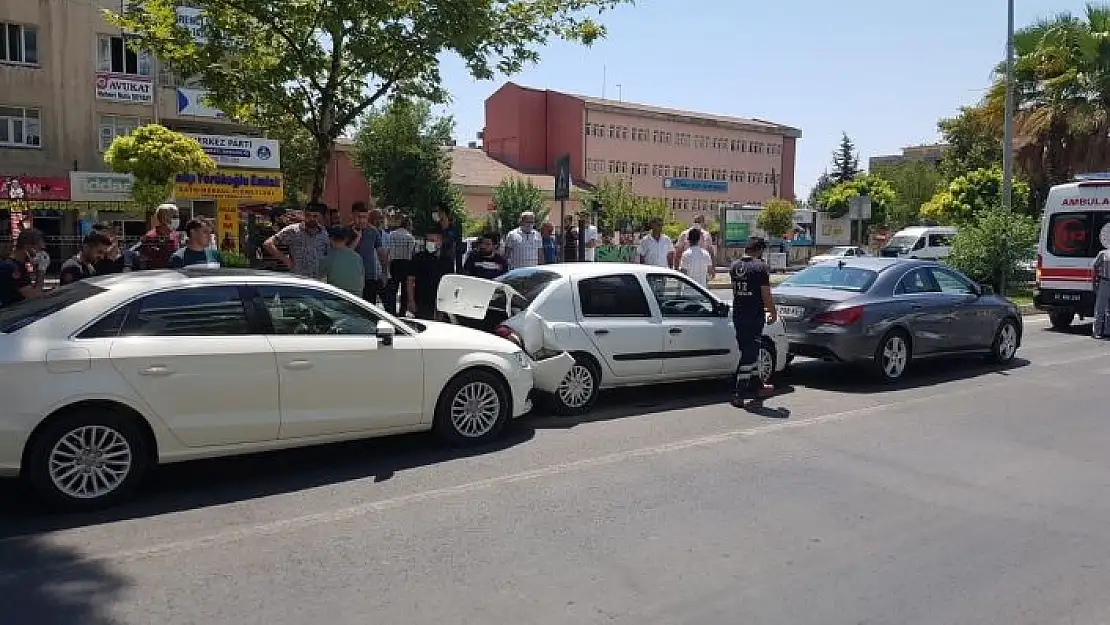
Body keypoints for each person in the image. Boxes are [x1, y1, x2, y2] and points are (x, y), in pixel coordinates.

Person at [729, 237, 778, 408]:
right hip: (754, 316)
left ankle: (758, 386)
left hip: (738, 315)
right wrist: (772, 311)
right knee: (749, 355)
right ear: (759, 250)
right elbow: (766, 294)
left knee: (749, 350)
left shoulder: (734, 266)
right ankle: (738, 393)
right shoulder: (760, 268)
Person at [264, 202, 330, 278]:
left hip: (317, 281)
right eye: (308, 215)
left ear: (321, 217)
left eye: (315, 216)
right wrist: (286, 260)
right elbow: (268, 244)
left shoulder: (324, 233)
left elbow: (326, 253)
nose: (311, 219)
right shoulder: (293, 230)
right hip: (298, 279)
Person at [406, 228, 451, 320]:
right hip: (422, 301)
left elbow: (450, 283)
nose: (429, 243)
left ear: (440, 242)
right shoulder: (419, 258)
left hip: (440, 303)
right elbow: (410, 280)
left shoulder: (447, 261)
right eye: (428, 240)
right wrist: (411, 300)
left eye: (433, 240)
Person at [352, 204, 390, 304]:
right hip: (352, 276)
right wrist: (357, 237)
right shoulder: (347, 230)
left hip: (369, 277)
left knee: (368, 307)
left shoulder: (373, 231)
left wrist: (384, 273)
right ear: (352, 216)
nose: (361, 220)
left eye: (364, 217)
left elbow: (382, 252)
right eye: (358, 217)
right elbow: (345, 252)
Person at [0, 229, 46, 306]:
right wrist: (41, 269)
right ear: (28, 246)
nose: (40, 253)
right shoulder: (12, 268)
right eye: (39, 249)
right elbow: (34, 296)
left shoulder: (19, 266)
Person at [384, 214, 417, 315]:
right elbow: (411, 252)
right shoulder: (410, 237)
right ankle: (402, 311)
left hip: (394, 263)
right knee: (404, 290)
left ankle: (392, 311)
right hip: (406, 263)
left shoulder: (392, 234)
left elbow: (389, 250)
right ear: (408, 225)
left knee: (393, 289)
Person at [322, 227, 365, 297]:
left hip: (337, 299)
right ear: (346, 239)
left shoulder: (328, 258)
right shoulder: (357, 257)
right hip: (356, 300)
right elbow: (362, 283)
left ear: (330, 239)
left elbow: (321, 281)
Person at [137, 203, 181, 270]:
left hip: (175, 275)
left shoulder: (176, 236)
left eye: (178, 217)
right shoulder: (150, 238)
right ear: (164, 218)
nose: (177, 220)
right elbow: (143, 261)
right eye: (174, 217)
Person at [1092, 224, 1110, 339]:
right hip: (1104, 281)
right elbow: (1094, 266)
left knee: (1109, 310)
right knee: (1100, 308)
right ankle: (1097, 332)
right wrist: (1094, 282)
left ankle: (1108, 331)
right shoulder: (1103, 253)